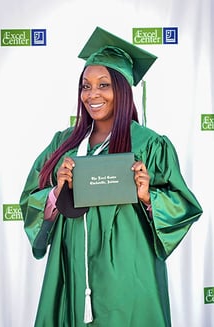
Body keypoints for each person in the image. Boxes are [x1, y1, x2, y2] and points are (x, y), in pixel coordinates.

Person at [19, 26, 203, 327]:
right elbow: (31, 199)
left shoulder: (149, 144)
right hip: (73, 271)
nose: (92, 94)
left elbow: (183, 205)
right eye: (85, 86)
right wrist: (56, 192)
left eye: (104, 85)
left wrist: (148, 197)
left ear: (123, 88)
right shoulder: (63, 144)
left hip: (130, 272)